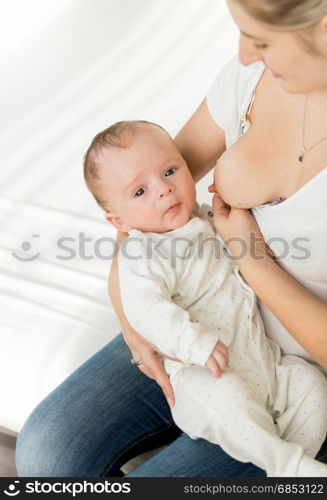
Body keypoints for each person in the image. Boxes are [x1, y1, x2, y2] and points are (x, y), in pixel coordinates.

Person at [16, 0, 327, 477]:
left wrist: (253, 261)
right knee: (47, 451)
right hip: (197, 318)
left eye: (260, 38)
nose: (245, 54)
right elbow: (140, 185)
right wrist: (132, 317)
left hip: (297, 364)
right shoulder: (252, 77)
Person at [84, 118, 327, 477]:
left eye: (170, 171)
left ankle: (288, 458)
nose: (164, 189)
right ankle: (286, 465)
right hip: (204, 371)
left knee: (311, 387)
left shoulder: (203, 221)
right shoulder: (144, 252)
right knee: (227, 403)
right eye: (140, 192)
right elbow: (146, 309)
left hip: (265, 361)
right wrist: (194, 344)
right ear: (119, 222)